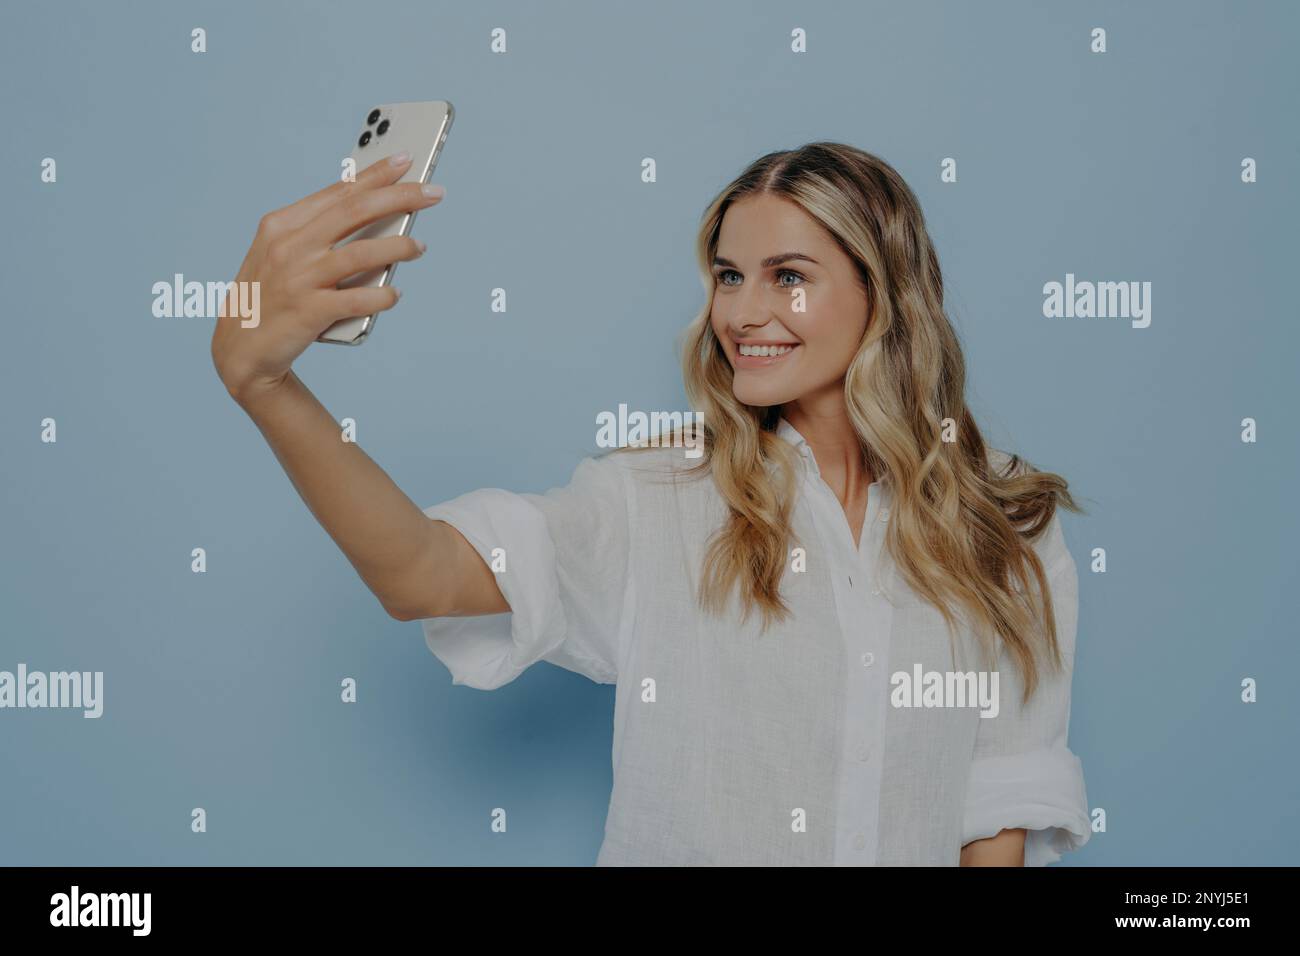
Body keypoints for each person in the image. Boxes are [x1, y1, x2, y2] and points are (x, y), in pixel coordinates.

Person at [211, 141, 1091, 867]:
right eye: (727, 275)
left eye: (787, 276)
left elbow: (997, 802)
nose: (743, 312)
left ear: (884, 292)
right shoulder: (656, 500)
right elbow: (421, 574)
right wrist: (267, 386)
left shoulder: (1004, 523)